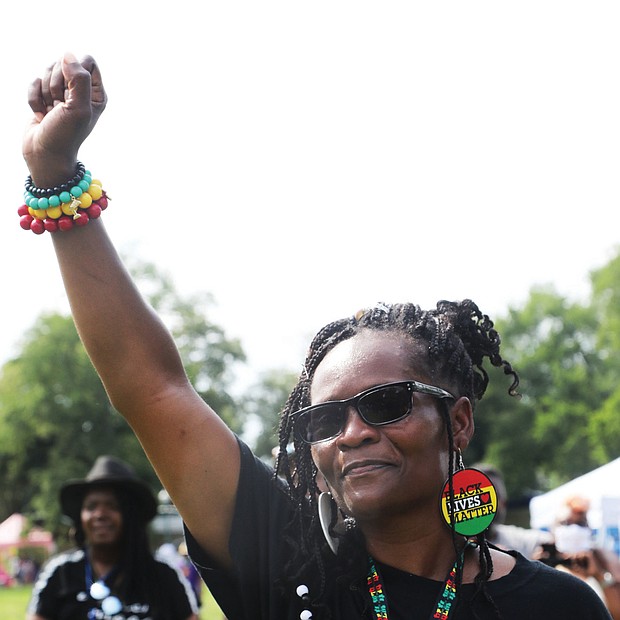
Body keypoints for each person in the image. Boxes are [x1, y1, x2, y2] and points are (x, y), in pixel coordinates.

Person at [20, 52, 612, 619]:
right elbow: (151, 387)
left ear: (458, 420)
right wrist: (54, 173)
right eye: (324, 421)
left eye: (387, 403)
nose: (352, 433)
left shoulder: (559, 605)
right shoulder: (287, 567)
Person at [27, 456, 199, 620]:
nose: (100, 514)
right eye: (91, 506)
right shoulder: (61, 573)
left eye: (112, 506)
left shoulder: (164, 575)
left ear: (131, 515)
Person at [472, 463, 554, 559]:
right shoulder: (456, 550)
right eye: (487, 495)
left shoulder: (516, 539)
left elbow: (551, 540)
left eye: (497, 495)